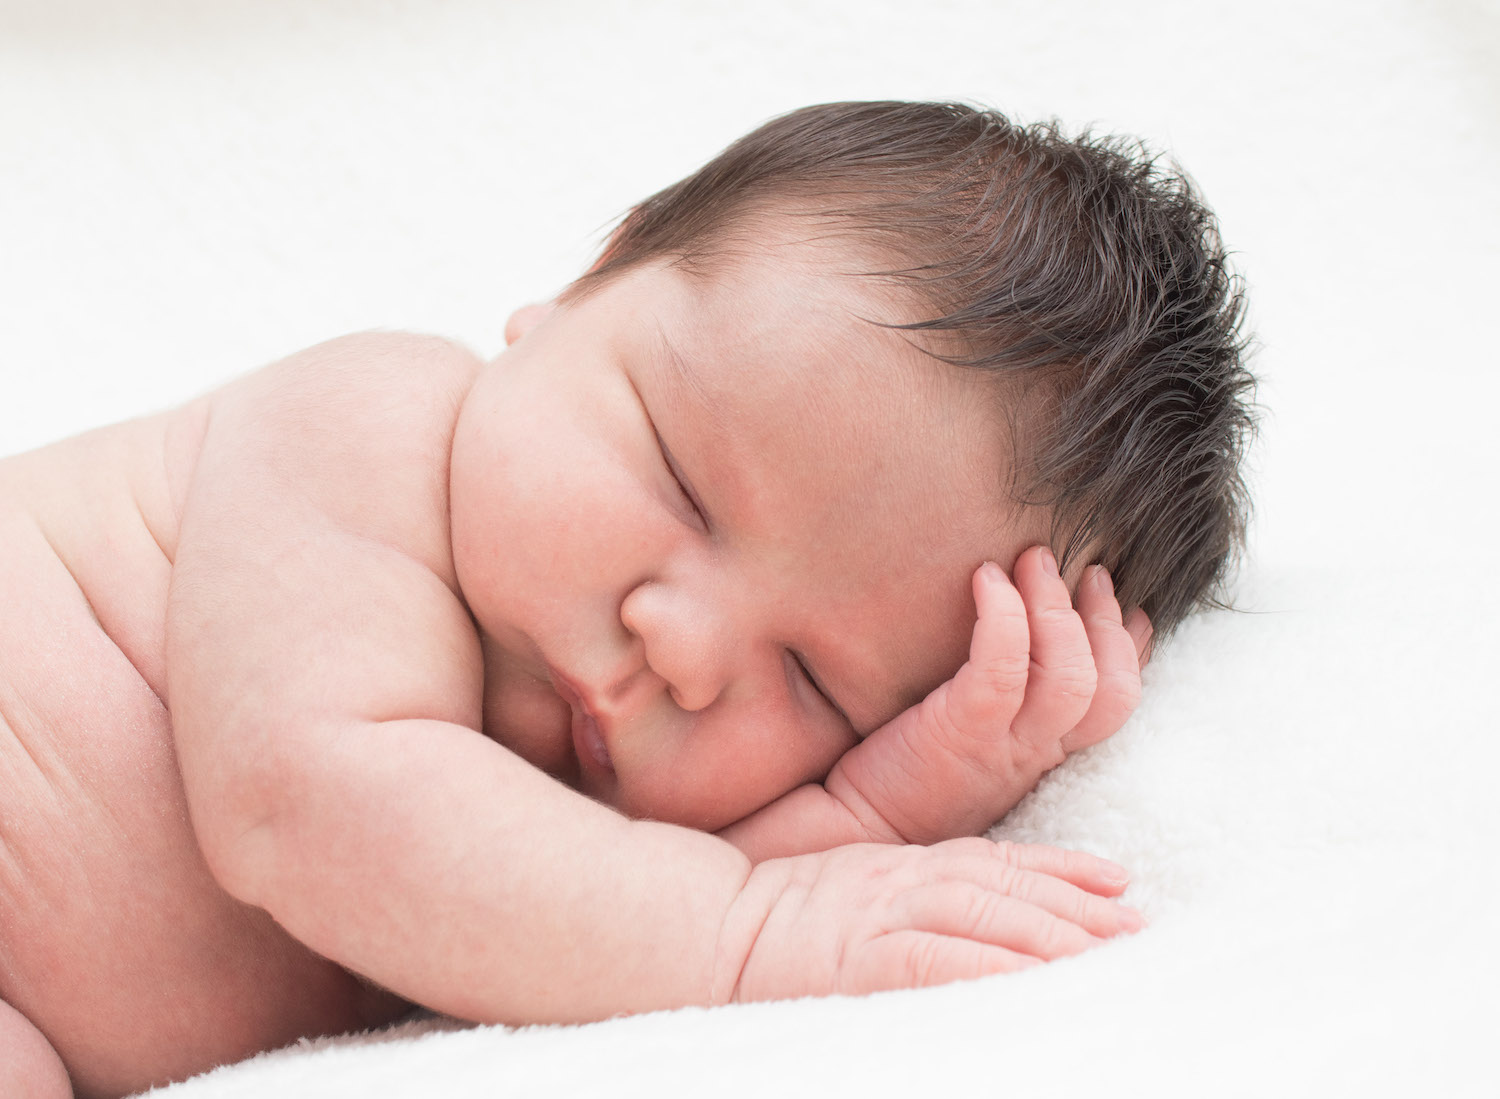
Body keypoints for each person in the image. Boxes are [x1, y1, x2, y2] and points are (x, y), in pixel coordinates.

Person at [0, 100, 1253, 1098]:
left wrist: (887, 804)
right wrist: (758, 931)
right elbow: (314, 809)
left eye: (815, 683)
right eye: (684, 483)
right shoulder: (370, 426)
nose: (685, 648)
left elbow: (581, 908)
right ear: (589, 282)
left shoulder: (578, 823)